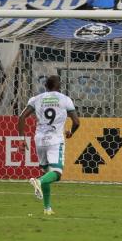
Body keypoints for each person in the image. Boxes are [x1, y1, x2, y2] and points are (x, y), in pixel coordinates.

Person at [18, 75, 80, 215]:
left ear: (45, 86)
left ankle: (47, 209)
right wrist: (71, 132)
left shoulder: (36, 99)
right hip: (55, 140)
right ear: (59, 87)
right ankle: (38, 181)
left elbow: (21, 117)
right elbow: (76, 122)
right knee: (57, 174)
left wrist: (21, 139)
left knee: (47, 173)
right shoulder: (65, 100)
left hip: (39, 140)